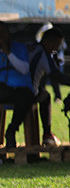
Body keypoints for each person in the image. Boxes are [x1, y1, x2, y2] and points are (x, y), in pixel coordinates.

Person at [0, 21, 35, 153]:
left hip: (20, 89)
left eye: (3, 32)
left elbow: (24, 69)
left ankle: (12, 130)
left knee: (26, 98)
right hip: (2, 89)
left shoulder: (19, 48)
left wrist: (8, 53)